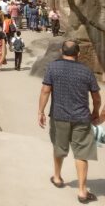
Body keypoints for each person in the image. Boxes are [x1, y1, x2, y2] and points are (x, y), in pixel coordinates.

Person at [38, 40, 102, 204]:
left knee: (59, 147)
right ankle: (82, 191)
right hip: (81, 118)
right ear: (78, 54)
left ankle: (58, 177)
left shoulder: (53, 67)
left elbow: (45, 90)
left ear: (61, 51)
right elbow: (96, 97)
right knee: (81, 153)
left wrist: (41, 111)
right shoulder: (86, 71)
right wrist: (95, 112)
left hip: (59, 116)